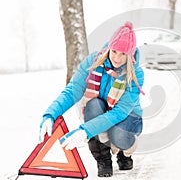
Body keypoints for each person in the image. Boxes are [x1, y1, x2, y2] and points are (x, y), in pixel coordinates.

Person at [39, 21, 144, 177]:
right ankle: (103, 159)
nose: (117, 57)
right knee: (93, 105)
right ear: (109, 47)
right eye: (114, 51)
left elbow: (119, 113)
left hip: (128, 117)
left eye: (123, 54)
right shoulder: (93, 62)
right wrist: (50, 114)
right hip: (101, 110)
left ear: (130, 55)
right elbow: (72, 91)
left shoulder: (136, 74)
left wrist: (85, 130)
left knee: (119, 135)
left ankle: (124, 152)